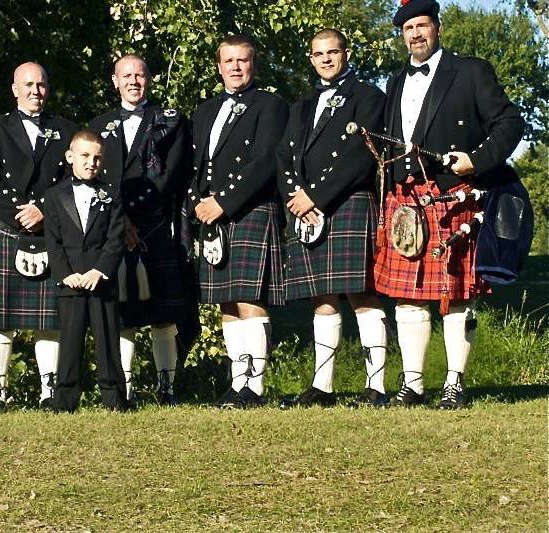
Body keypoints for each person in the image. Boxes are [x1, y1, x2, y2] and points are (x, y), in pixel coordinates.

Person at [374, 0, 524, 408]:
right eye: (408, 28)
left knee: (456, 293)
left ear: (437, 28)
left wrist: (477, 159)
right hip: (405, 196)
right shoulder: (395, 80)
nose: (416, 34)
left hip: (451, 194)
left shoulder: (471, 71)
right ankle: (413, 384)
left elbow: (510, 122)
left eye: (422, 25)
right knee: (407, 296)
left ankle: (455, 383)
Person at [276, 29, 389, 408]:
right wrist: (296, 197)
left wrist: (317, 196)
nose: (325, 59)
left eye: (332, 52)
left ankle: (377, 386)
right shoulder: (302, 104)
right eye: (318, 54)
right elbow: (285, 157)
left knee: (362, 294)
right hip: (306, 207)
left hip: (350, 201)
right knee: (321, 297)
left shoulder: (369, 97)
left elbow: (361, 155)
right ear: (311, 58)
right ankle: (322, 387)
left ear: (347, 53)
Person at [0, 62, 77, 411]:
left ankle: (49, 393)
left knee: (49, 318)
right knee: (0, 317)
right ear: (14, 89)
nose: (35, 91)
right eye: (28, 85)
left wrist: (45, 209)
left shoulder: (66, 129)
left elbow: (75, 180)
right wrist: (20, 214)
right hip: (6, 226)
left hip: (49, 228)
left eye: (41, 85)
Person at [188, 35, 288, 407]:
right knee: (225, 301)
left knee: (249, 297)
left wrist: (223, 203)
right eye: (228, 61)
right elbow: (197, 165)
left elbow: (264, 163)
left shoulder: (271, 105)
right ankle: (236, 382)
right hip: (211, 214)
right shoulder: (205, 110)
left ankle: (255, 386)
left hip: (249, 209)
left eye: (242, 61)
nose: (235, 67)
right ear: (219, 66)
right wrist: (197, 204)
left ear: (253, 64)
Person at [89, 54, 191, 405]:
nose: (134, 81)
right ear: (114, 81)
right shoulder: (97, 124)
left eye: (140, 75)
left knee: (162, 312)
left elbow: (170, 176)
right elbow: (92, 179)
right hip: (114, 230)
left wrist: (134, 217)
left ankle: (168, 388)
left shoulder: (171, 121)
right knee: (124, 312)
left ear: (149, 79)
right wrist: (119, 222)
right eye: (126, 76)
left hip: (155, 225)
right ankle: (126, 390)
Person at [43, 130, 128, 413]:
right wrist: (64, 273)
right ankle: (65, 401)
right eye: (85, 156)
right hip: (70, 281)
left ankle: (114, 399)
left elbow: (115, 238)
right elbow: (53, 240)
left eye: (97, 157)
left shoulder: (112, 193)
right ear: (70, 157)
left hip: (101, 281)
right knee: (69, 342)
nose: (91, 162)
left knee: (107, 340)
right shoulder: (54, 196)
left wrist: (100, 271)